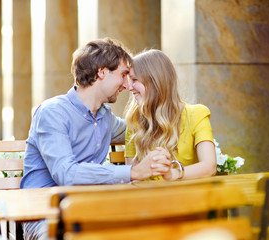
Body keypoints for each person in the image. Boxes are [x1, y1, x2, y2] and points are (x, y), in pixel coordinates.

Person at [20, 39, 171, 240]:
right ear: (102, 72)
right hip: (45, 215)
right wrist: (133, 172)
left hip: (86, 209)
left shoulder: (105, 118)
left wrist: (156, 100)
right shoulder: (53, 113)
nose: (127, 85)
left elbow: (140, 131)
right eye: (124, 75)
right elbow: (67, 173)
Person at [124, 49, 217, 181]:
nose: (129, 87)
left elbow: (209, 166)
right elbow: (134, 176)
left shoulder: (196, 114)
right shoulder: (134, 120)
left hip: (188, 197)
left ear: (154, 82)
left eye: (134, 80)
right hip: (148, 198)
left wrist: (174, 174)